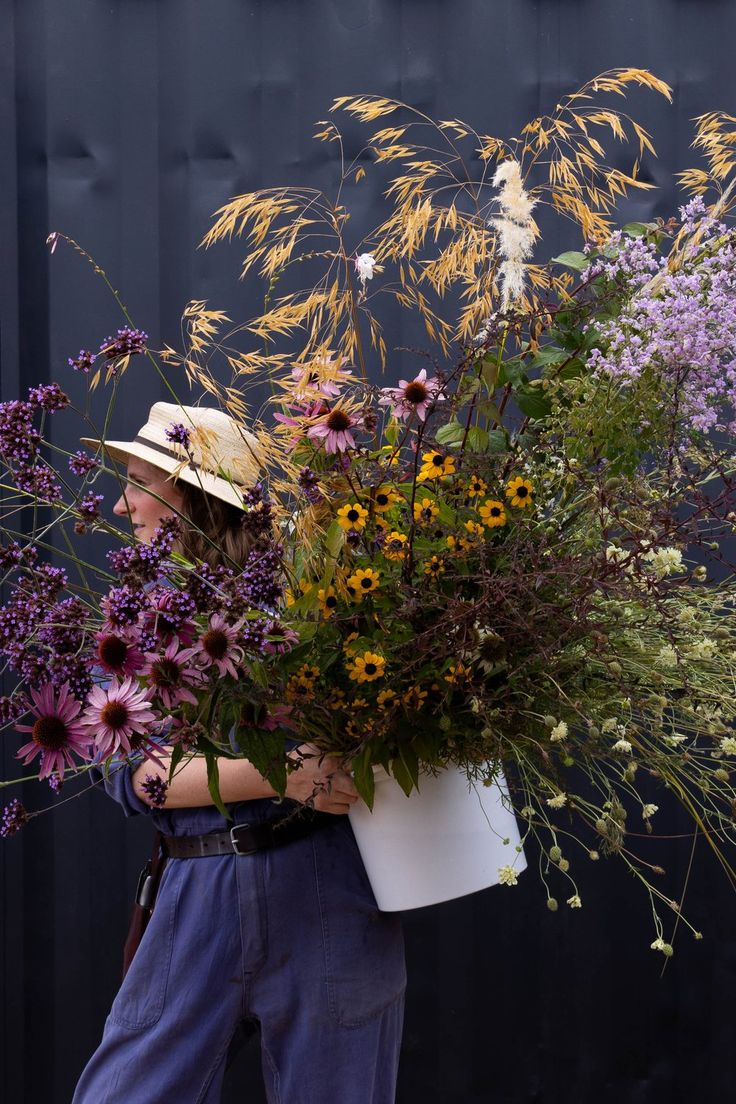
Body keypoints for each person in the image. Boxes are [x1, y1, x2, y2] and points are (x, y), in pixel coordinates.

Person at [72, 402, 406, 1104]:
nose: (122, 500)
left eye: (140, 481)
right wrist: (287, 773)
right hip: (198, 889)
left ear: (191, 497)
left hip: (325, 888)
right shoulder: (132, 622)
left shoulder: (316, 601)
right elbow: (134, 775)